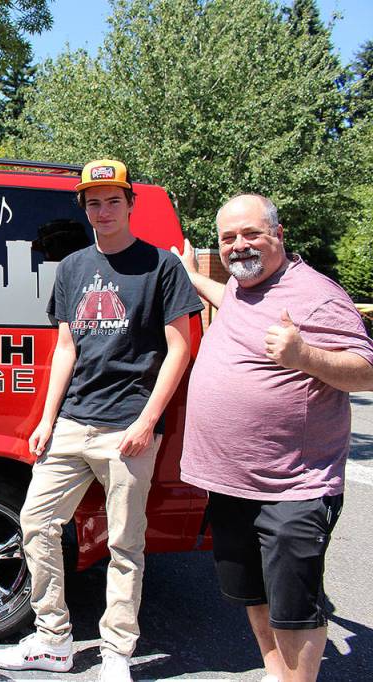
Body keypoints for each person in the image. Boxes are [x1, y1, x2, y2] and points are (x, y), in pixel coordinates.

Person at [0, 159, 202, 682]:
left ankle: (116, 654)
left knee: (125, 545)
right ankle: (53, 638)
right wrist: (47, 417)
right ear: (83, 209)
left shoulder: (160, 267)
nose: (102, 210)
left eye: (112, 200)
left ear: (130, 204)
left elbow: (181, 348)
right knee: (36, 522)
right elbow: (65, 348)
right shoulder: (73, 267)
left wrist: (147, 421)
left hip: (129, 428)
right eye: (92, 202)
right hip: (72, 425)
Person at [173, 194, 373, 682]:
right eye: (227, 238)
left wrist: (304, 354)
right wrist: (192, 275)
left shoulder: (317, 295)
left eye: (251, 234)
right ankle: (274, 672)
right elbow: (228, 300)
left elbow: (366, 371)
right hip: (232, 482)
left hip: (293, 487)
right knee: (254, 594)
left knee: (296, 607)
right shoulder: (243, 289)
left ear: (279, 235)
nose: (239, 246)